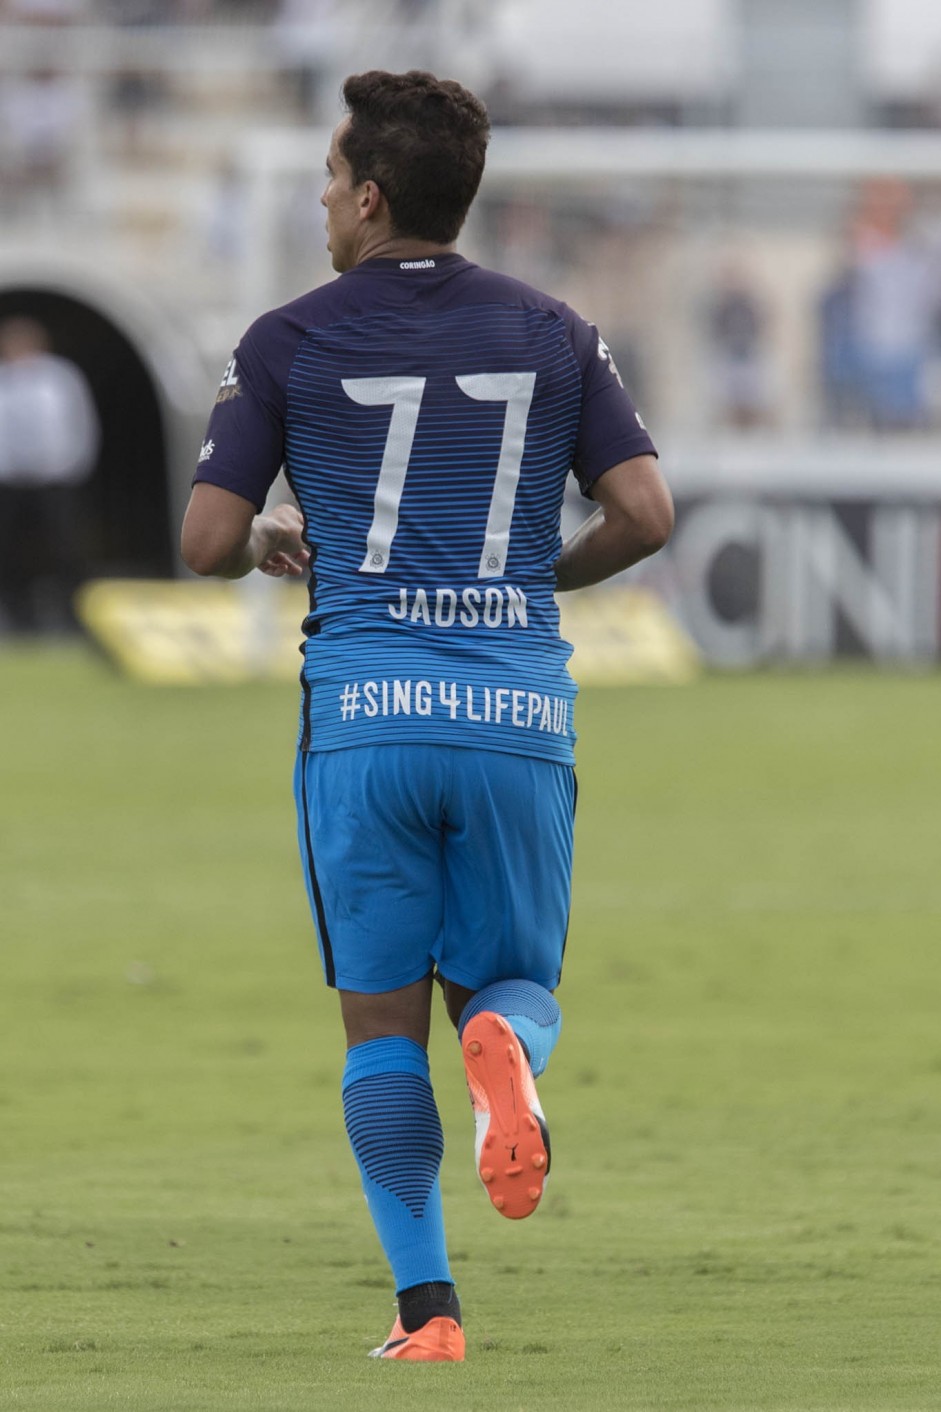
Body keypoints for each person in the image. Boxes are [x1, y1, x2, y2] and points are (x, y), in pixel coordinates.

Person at [181, 69, 673, 1362]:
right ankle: (506, 1042)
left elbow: (202, 538)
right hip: (513, 712)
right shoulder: (556, 329)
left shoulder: (288, 337)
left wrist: (268, 541)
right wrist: (527, 580)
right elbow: (644, 515)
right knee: (506, 983)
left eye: (331, 183)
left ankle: (429, 1315)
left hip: (365, 721)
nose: (322, 206)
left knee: (376, 1023)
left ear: (372, 195)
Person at [0, 316, 100, 634]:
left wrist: (74, 465)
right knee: (10, 549)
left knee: (66, 547)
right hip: (11, 481)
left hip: (56, 479)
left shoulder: (61, 377)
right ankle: (18, 615)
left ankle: (75, 615)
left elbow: (81, 423)